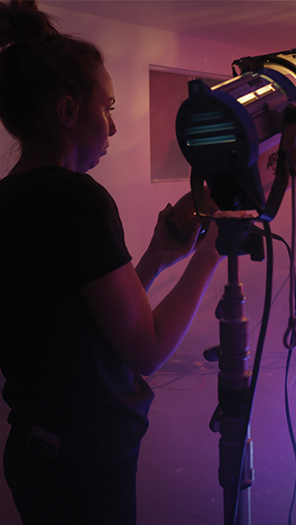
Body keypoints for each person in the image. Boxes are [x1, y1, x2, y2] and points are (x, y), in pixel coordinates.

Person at [0, 2, 224, 523]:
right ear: (68, 111)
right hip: (86, 462)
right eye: (109, 108)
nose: (115, 128)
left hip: (37, 452)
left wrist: (156, 258)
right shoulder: (77, 198)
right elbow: (146, 349)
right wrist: (213, 250)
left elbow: (78, 322)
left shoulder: (10, 199)